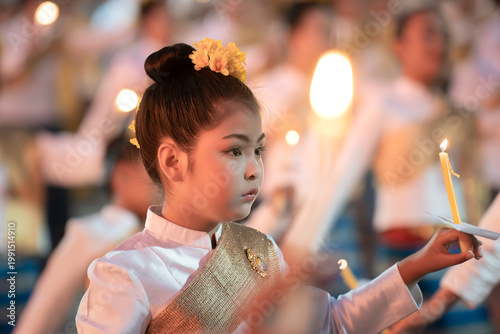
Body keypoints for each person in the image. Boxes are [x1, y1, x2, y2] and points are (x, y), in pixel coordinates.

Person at [75, 40, 482, 334]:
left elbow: (333, 322)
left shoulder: (260, 250)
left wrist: (416, 265)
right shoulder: (124, 274)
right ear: (173, 161)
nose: (254, 169)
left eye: (258, 150)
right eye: (235, 152)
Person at [14, 140, 156, 334]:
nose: (160, 180)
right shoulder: (88, 233)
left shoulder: (159, 231)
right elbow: (41, 313)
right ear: (122, 175)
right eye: (150, 169)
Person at [386, 193, 500, 333]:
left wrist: (433, 308)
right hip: (397, 241)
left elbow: (491, 244)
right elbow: (491, 244)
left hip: (454, 247)